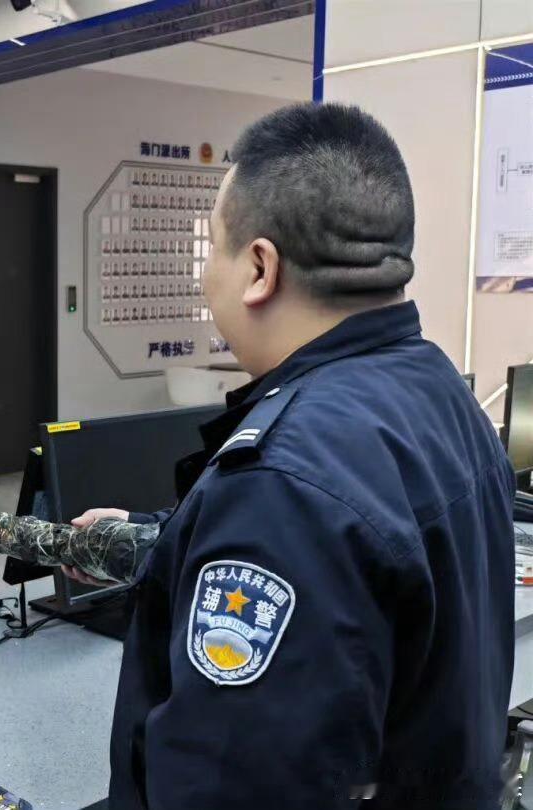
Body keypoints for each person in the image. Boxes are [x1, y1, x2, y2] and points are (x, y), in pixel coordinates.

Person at [69, 103, 516, 807]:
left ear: (258, 268)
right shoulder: (438, 390)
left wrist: (247, 520)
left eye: (211, 248)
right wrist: (177, 541)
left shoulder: (280, 482)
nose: (203, 276)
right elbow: (371, 564)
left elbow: (232, 783)